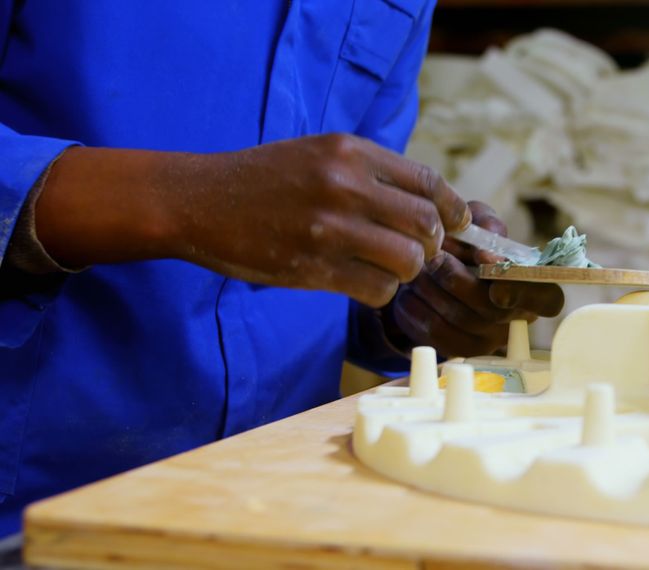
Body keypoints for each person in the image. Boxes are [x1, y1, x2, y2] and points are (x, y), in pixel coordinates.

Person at [0, 1, 564, 537]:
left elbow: (319, 238)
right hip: (40, 508)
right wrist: (188, 203)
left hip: (290, 499)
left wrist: (413, 304)